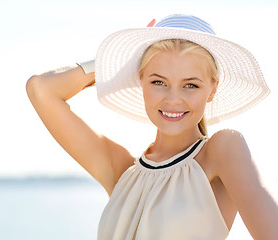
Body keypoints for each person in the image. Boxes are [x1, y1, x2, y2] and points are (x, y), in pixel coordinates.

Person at [26, 14, 278, 239]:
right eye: (159, 81)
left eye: (191, 85)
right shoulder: (122, 171)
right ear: (140, 80)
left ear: (212, 89)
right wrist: (118, 62)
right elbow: (42, 89)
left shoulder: (222, 150)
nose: (172, 98)